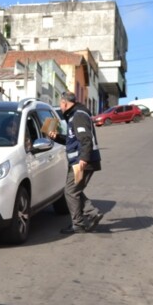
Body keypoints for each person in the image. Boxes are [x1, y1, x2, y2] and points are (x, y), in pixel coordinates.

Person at [48, 92, 103, 234]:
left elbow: (85, 139)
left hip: (83, 161)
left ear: (65, 103)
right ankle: (91, 214)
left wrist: (83, 159)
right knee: (74, 190)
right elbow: (72, 140)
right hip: (79, 160)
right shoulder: (74, 116)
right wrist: (57, 137)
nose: (60, 107)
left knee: (70, 191)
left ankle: (80, 222)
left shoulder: (78, 115)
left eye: (60, 104)